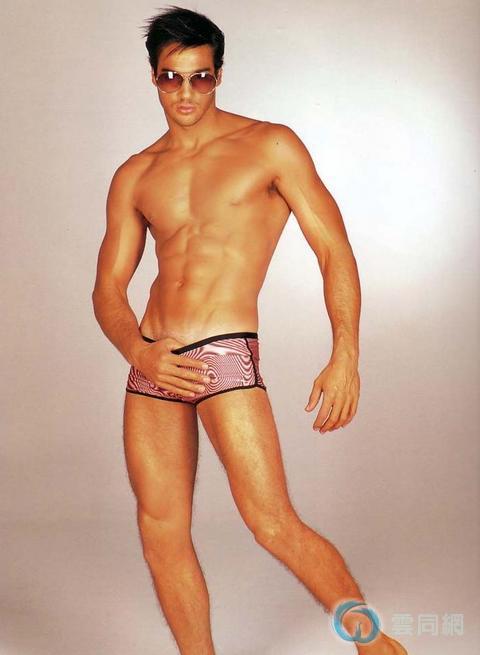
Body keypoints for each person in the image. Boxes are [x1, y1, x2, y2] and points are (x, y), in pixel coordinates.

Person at [91, 5, 407, 655]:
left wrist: (345, 352)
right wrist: (137, 351)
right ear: (154, 79)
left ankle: (376, 645)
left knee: (271, 521)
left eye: (200, 77)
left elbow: (334, 249)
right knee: (159, 531)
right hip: (153, 360)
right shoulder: (135, 174)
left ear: (219, 74)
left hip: (222, 349)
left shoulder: (269, 145)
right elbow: (107, 291)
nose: (186, 93)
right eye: (172, 78)